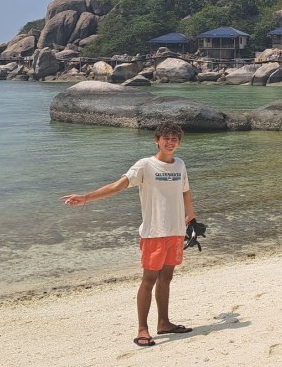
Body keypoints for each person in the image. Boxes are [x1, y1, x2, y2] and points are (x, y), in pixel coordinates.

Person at [61, 122, 197, 347]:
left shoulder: (180, 164)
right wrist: (86, 197)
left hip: (175, 231)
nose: (170, 142)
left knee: (166, 278)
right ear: (157, 140)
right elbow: (118, 186)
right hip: (154, 233)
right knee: (149, 280)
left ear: (179, 143)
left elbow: (185, 191)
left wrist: (190, 216)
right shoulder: (145, 165)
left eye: (175, 139)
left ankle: (164, 322)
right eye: (166, 138)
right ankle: (142, 328)